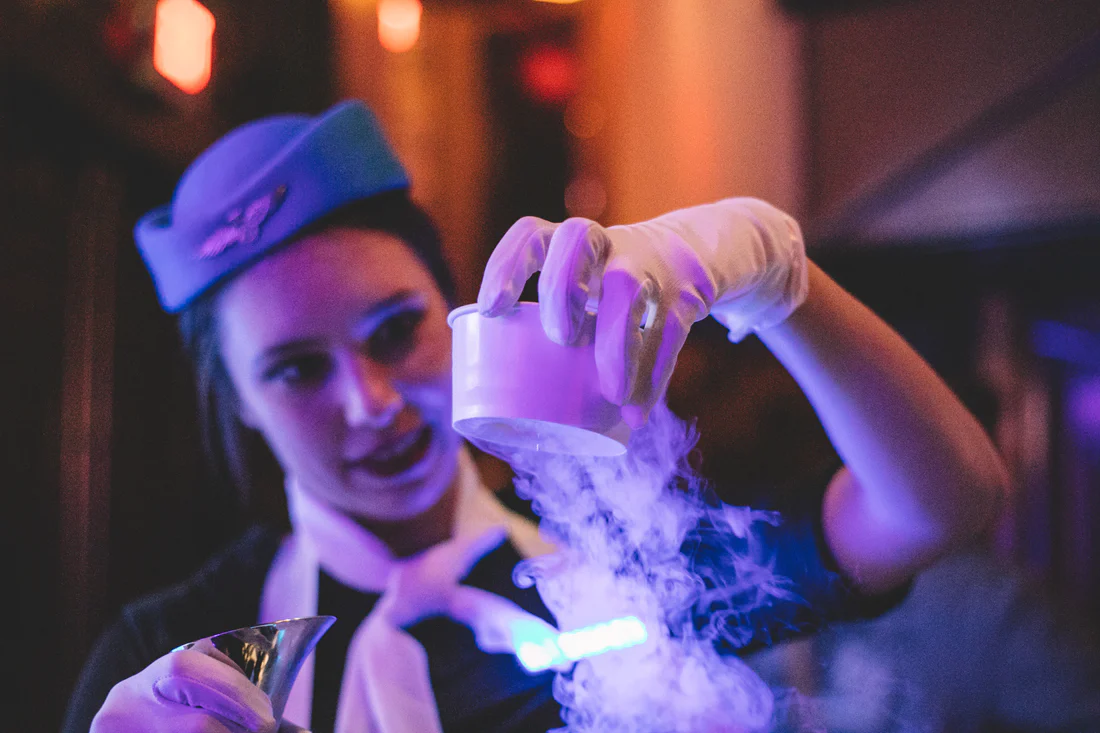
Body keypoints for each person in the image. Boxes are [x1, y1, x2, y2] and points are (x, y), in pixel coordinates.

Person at [62, 99, 1006, 733]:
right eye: (298, 370)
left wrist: (773, 275)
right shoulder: (181, 661)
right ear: (241, 403)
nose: (370, 403)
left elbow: (943, 504)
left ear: (456, 312)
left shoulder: (622, 571)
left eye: (396, 330)